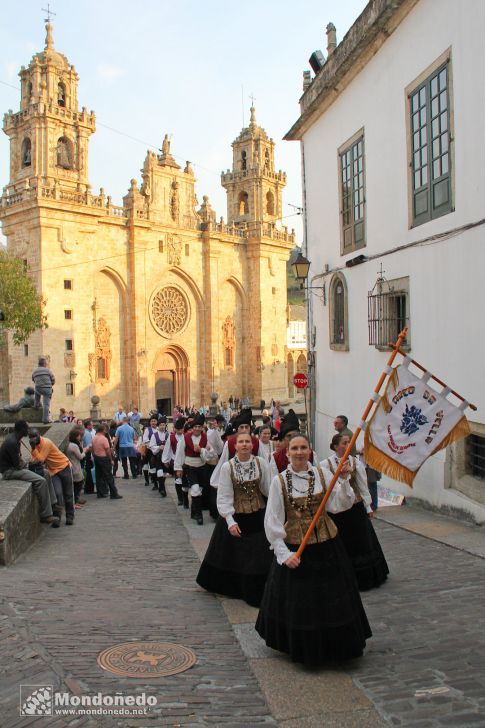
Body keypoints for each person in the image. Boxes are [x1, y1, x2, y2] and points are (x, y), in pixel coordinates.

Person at [256, 433, 372, 664]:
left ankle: (336, 646)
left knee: (332, 598)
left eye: (303, 448)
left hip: (327, 547)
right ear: (287, 452)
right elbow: (273, 521)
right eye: (295, 448)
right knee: (302, 602)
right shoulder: (280, 482)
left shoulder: (321, 474)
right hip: (297, 548)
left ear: (310, 451)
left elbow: (338, 505)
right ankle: (306, 648)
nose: (299, 452)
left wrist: (345, 481)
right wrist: (283, 554)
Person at [196, 431, 272, 606]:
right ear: (235, 446)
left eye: (248, 442)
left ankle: (255, 589)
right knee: (236, 554)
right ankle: (237, 588)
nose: (245, 444)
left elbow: (268, 489)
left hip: (258, 514)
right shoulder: (227, 467)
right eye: (241, 442)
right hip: (236, 515)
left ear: (253, 446)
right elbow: (223, 495)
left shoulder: (260, 463)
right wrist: (230, 521)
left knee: (257, 554)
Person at [321, 433, 389, 590]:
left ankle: (364, 576)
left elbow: (362, 484)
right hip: (338, 510)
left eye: (349, 442)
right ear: (336, 446)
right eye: (344, 443)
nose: (347, 445)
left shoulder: (355, 461)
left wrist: (368, 506)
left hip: (355, 506)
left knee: (361, 540)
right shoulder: (326, 464)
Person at [0, 420, 60, 526]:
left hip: (15, 468)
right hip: (9, 472)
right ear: (22, 429)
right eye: (27, 428)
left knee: (45, 473)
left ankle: (53, 503)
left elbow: (19, 460)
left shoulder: (16, 439)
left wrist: (31, 464)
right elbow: (18, 465)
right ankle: (46, 515)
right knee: (41, 481)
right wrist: (30, 465)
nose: (28, 430)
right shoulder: (12, 442)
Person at [30, 429, 75, 526]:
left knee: (68, 493)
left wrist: (34, 450)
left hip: (64, 467)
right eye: (31, 437)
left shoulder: (46, 442)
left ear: (39, 435)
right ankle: (57, 518)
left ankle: (70, 517)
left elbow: (40, 460)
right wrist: (34, 449)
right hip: (53, 471)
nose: (33, 439)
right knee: (57, 494)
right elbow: (34, 461)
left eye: (35, 436)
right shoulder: (35, 447)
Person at [174, 413, 209, 525]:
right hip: (190, 467)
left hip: (202, 467)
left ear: (202, 428)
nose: (197, 429)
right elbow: (179, 453)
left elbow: (211, 453)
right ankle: (199, 515)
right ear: (192, 428)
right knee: (194, 489)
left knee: (200, 491)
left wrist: (202, 450)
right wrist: (178, 468)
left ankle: (194, 511)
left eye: (199, 427)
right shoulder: (186, 438)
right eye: (195, 427)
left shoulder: (205, 437)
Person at [270, 410, 318, 477]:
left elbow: (317, 476)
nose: (292, 439)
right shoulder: (276, 458)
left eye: (295, 435)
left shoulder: (311, 454)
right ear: (283, 438)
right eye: (289, 436)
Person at [162, 416, 188, 507]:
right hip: (175, 460)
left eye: (181, 429)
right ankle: (180, 499)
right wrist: (165, 460)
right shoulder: (171, 437)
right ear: (175, 429)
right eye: (178, 429)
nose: (180, 431)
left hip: (185, 461)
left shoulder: (186, 436)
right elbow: (167, 448)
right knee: (178, 480)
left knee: (185, 481)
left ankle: (185, 499)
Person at [92, 424, 122, 500]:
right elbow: (107, 450)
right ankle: (114, 493)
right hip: (104, 458)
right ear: (103, 430)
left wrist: (94, 455)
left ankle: (100, 493)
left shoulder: (94, 438)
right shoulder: (104, 438)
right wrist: (111, 459)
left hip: (96, 457)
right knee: (109, 476)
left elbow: (92, 448)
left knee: (99, 476)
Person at [66, 427, 87, 507]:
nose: (80, 437)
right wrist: (85, 451)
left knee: (75, 485)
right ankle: (74, 502)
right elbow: (80, 457)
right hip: (75, 467)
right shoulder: (74, 446)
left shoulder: (69, 444)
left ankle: (75, 501)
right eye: (78, 436)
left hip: (71, 466)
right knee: (78, 484)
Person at [148, 418, 169, 496]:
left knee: (164, 473)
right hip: (158, 457)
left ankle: (160, 486)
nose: (162, 426)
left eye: (163, 425)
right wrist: (159, 447)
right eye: (160, 425)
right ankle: (163, 490)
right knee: (159, 472)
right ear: (158, 426)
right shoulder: (154, 435)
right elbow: (151, 446)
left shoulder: (168, 434)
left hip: (166, 457)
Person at [32, 357, 55, 424]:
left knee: (36, 392)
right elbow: (53, 379)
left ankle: (36, 404)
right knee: (46, 404)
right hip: (47, 389)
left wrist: (39, 383)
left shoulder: (35, 371)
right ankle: (45, 419)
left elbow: (33, 379)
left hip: (38, 388)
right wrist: (51, 385)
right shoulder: (48, 370)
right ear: (44, 364)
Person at [141, 416, 159, 487]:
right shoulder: (147, 430)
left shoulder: (158, 429)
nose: (153, 422)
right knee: (145, 466)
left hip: (154, 451)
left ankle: (154, 481)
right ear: (150, 422)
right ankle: (146, 480)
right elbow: (145, 440)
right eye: (152, 421)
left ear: (157, 422)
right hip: (147, 450)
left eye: (154, 421)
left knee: (153, 466)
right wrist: (151, 446)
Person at [82, 419, 96, 494]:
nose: (92, 425)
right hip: (87, 454)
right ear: (88, 426)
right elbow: (89, 446)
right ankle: (89, 489)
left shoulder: (85, 432)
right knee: (88, 471)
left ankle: (89, 488)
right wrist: (93, 454)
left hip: (85, 453)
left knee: (88, 470)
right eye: (91, 424)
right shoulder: (87, 434)